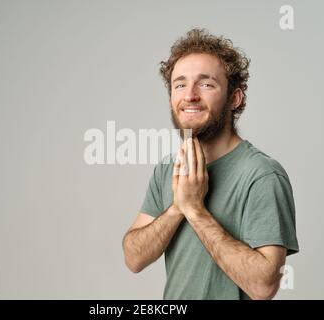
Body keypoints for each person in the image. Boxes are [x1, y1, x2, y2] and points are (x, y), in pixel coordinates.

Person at [122, 28, 299, 300]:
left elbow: (263, 286)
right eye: (180, 84)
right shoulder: (168, 169)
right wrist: (177, 208)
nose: (190, 95)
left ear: (234, 99)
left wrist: (195, 210)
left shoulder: (262, 175)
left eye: (206, 84)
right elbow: (133, 257)